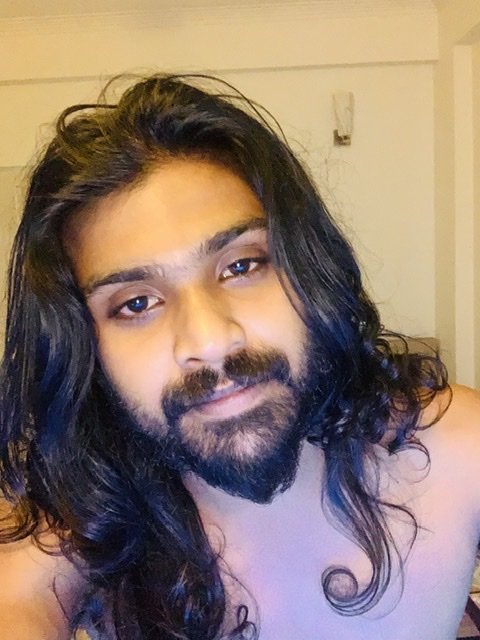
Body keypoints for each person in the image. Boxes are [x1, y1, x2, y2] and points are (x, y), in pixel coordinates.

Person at [0, 73, 479, 640]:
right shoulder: (79, 517)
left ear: (307, 269)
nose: (209, 340)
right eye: (136, 303)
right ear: (87, 349)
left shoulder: (457, 445)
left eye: (241, 266)